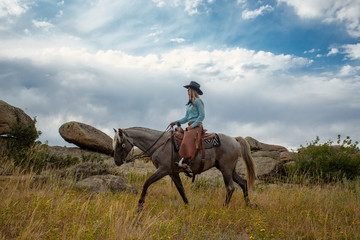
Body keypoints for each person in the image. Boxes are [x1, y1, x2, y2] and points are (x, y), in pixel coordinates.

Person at [170, 81, 205, 169]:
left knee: (187, 138)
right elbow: (186, 118)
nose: (187, 91)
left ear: (193, 90)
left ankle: (188, 161)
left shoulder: (198, 101)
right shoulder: (189, 104)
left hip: (196, 126)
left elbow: (202, 116)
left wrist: (193, 126)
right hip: (190, 126)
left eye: (189, 89)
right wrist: (175, 122)